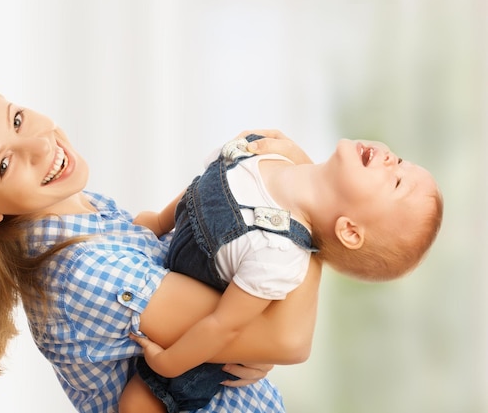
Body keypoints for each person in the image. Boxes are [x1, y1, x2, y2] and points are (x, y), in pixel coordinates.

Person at [0, 84, 324, 413]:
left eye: (16, 119)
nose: (39, 144)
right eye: (4, 163)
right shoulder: (82, 272)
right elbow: (286, 338)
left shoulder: (76, 209)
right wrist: (307, 201)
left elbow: (176, 255)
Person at [120, 132, 444, 412]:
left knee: (137, 402)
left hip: (198, 343)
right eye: (400, 161)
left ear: (351, 232)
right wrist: (162, 220)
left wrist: (169, 362)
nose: (390, 160)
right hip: (171, 266)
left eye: (397, 182)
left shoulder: (279, 252)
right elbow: (201, 190)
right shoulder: (270, 154)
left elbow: (223, 325)